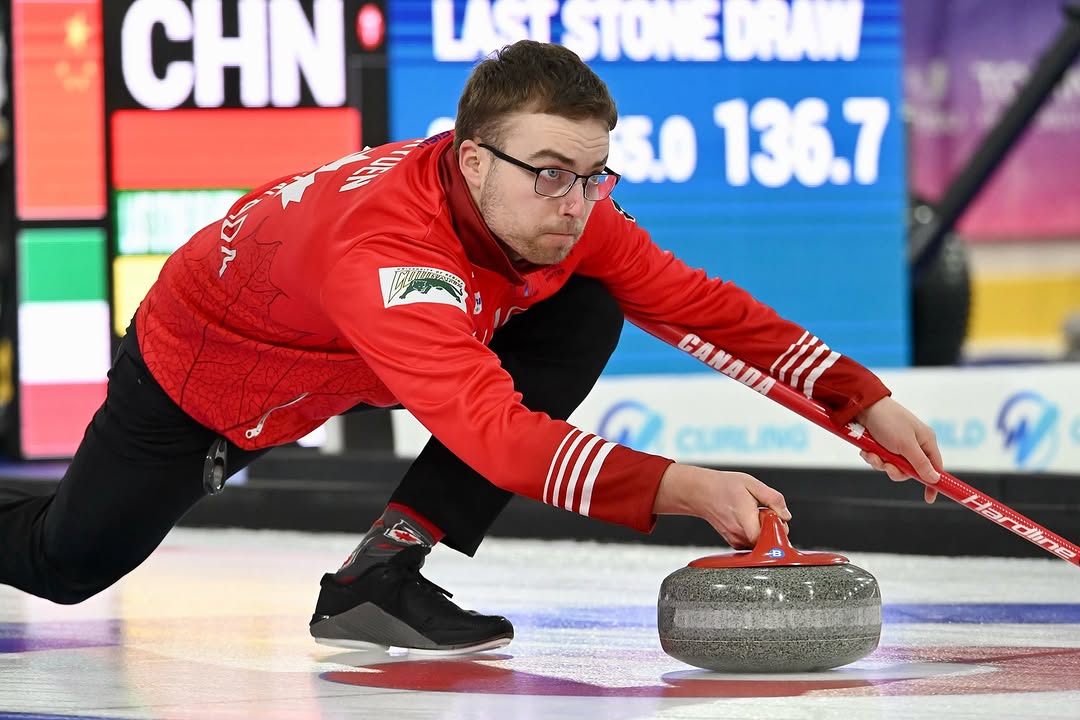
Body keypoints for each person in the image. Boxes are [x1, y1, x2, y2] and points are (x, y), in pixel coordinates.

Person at [0, 40, 941, 655]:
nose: (577, 202)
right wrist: (683, 487)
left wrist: (864, 403)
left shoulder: (567, 212)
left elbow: (700, 307)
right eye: (551, 175)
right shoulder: (384, 250)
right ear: (472, 158)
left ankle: (380, 573)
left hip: (340, 362)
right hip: (204, 378)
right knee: (67, 565)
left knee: (590, 303)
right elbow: (494, 432)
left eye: (594, 174)